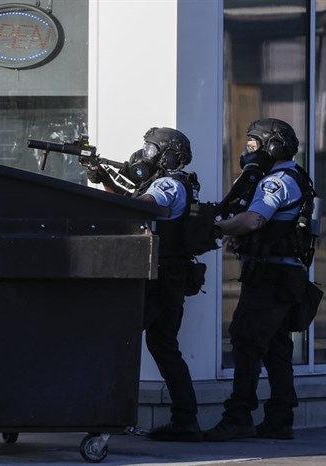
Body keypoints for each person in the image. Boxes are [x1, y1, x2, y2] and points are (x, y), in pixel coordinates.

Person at [88, 127, 202, 442]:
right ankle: (185, 418)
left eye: (152, 150)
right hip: (169, 279)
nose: (145, 155)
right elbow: (134, 202)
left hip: (158, 280)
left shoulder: (167, 184)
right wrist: (105, 179)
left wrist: (108, 184)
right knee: (164, 347)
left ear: (168, 155)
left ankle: (108, 413)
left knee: (117, 340)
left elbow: (138, 207)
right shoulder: (176, 183)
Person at [204, 118, 310, 442]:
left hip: (269, 277)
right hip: (284, 276)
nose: (250, 150)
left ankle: (238, 416)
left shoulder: (275, 181)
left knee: (247, 343)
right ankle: (280, 419)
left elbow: (254, 220)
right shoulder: (296, 176)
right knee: (277, 348)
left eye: (255, 144)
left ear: (273, 146)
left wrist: (218, 227)